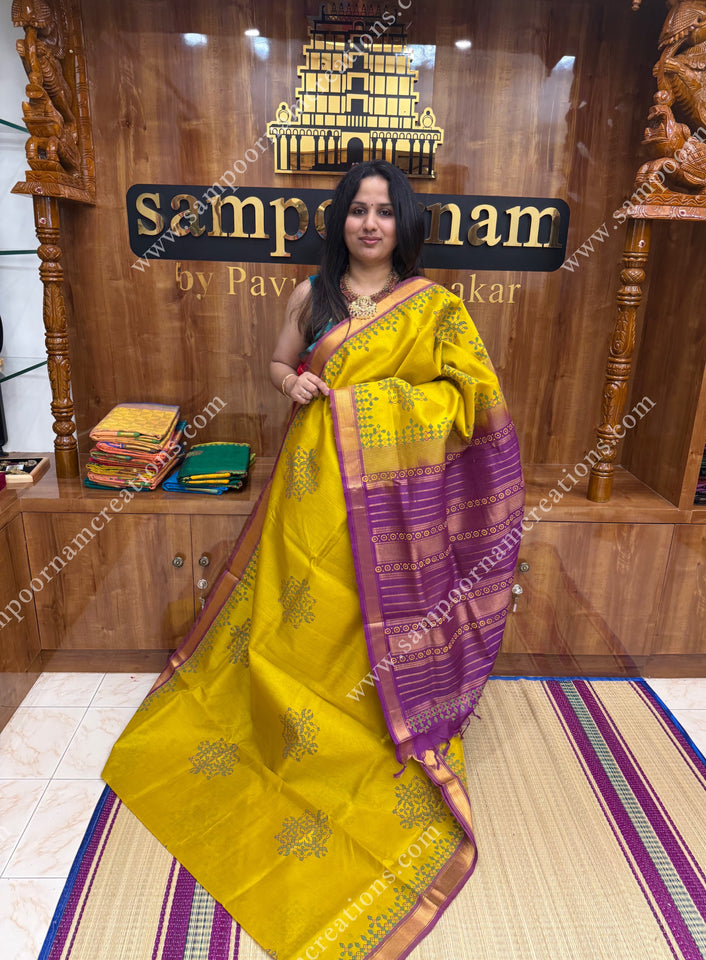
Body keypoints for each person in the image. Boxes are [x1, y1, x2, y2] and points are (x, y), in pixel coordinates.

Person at [103, 160, 524, 959]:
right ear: (340, 220)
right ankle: (284, 727)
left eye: (385, 212)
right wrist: (288, 385)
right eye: (358, 210)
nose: (370, 223)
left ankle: (363, 721)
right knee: (300, 605)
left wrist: (373, 406)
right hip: (310, 485)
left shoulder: (434, 309)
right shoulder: (311, 295)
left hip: (391, 508)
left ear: (404, 224)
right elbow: (277, 363)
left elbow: (475, 402)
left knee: (364, 616)